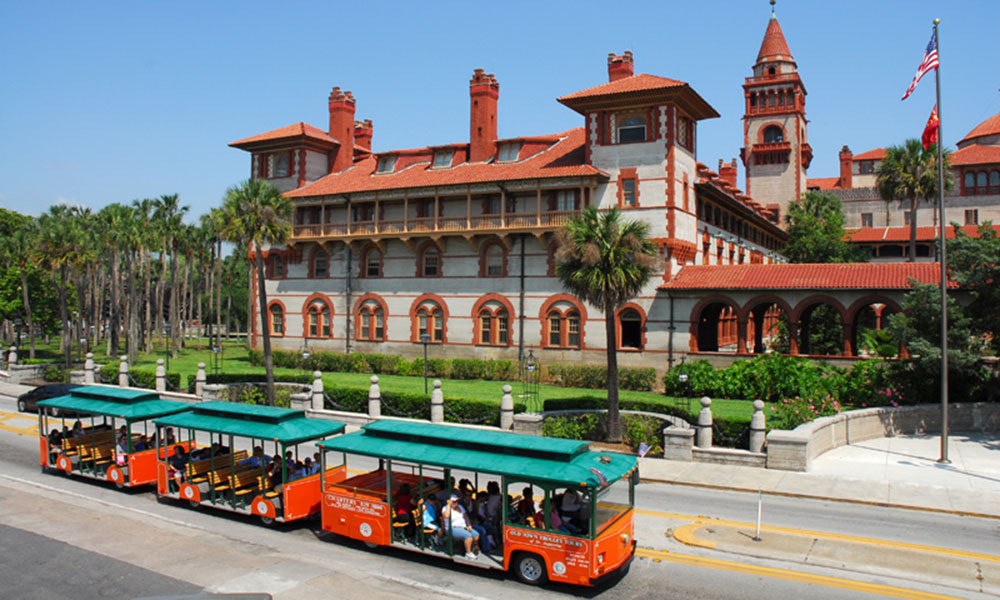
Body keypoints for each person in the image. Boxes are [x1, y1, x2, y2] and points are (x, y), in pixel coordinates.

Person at [442, 494, 480, 559]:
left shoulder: (460, 507)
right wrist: (449, 505)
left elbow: (466, 517)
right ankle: (468, 553)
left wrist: (469, 525)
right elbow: (446, 516)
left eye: (457, 501)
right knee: (468, 536)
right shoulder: (445, 508)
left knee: (476, 535)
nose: (455, 503)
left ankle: (469, 546)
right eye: (454, 502)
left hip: (463, 526)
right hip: (452, 528)